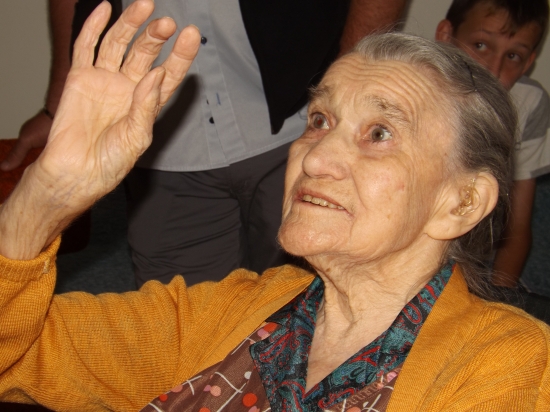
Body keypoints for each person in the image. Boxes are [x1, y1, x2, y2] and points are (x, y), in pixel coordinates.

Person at [1, 2, 549, 411]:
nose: (316, 158)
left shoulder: (507, 366)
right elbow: (19, 356)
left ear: (461, 203)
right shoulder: (222, 312)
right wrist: (43, 200)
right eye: (319, 121)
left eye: (379, 133)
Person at [1, 0, 409, 288]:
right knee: (181, 343)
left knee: (319, 305)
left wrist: (350, 97)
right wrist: (60, 107)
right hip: (158, 142)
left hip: (297, 113)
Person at [435, 0, 550, 289]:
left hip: (468, 260)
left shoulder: (530, 103)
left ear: (528, 63)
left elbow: (518, 227)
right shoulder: (404, 85)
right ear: (446, 35)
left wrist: (495, 299)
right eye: (481, 46)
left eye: (512, 56)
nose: (492, 70)